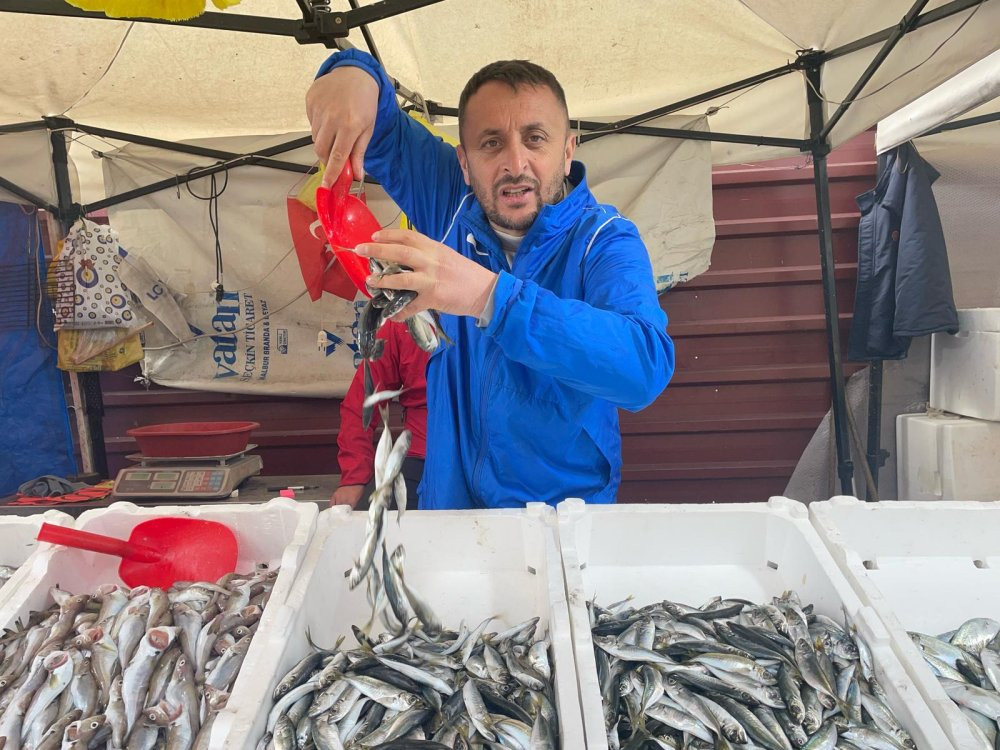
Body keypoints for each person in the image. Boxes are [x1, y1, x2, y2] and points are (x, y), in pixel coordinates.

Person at [307, 50, 674, 509]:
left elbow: (643, 367)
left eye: (535, 139)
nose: (515, 164)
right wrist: (351, 72)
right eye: (491, 143)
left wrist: (490, 297)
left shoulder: (604, 241)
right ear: (464, 162)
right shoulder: (450, 202)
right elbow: (384, 129)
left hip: (561, 525)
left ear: (567, 151)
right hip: (449, 512)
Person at [331, 320, 429, 509]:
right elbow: (363, 401)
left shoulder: (495, 314)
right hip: (422, 457)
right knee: (367, 520)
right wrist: (354, 477)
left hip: (494, 459)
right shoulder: (405, 322)